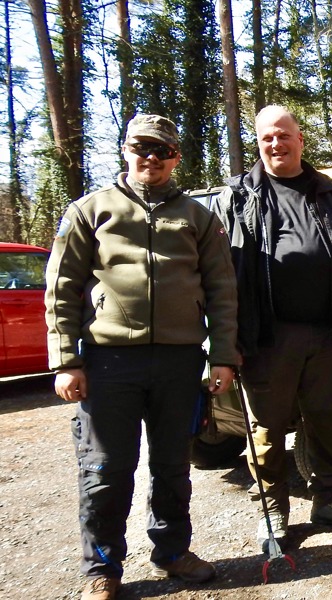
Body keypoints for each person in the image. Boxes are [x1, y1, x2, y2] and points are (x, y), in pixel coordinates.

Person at [45, 114, 237, 599]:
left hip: (179, 361)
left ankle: (172, 551)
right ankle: (102, 569)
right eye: (140, 148)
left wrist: (224, 355)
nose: (150, 158)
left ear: (175, 156)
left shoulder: (198, 217)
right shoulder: (91, 210)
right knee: (106, 469)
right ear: (125, 150)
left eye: (161, 149)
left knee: (173, 466)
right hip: (110, 362)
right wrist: (66, 360)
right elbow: (61, 288)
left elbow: (222, 291)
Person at [217, 106, 332, 549]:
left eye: (283, 136)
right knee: (267, 427)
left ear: (300, 139)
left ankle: (329, 499)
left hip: (329, 331)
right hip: (266, 335)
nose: (276, 144)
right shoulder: (239, 195)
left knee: (328, 418)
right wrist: (226, 337)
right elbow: (218, 271)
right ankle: (272, 509)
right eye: (266, 138)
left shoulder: (330, 194)